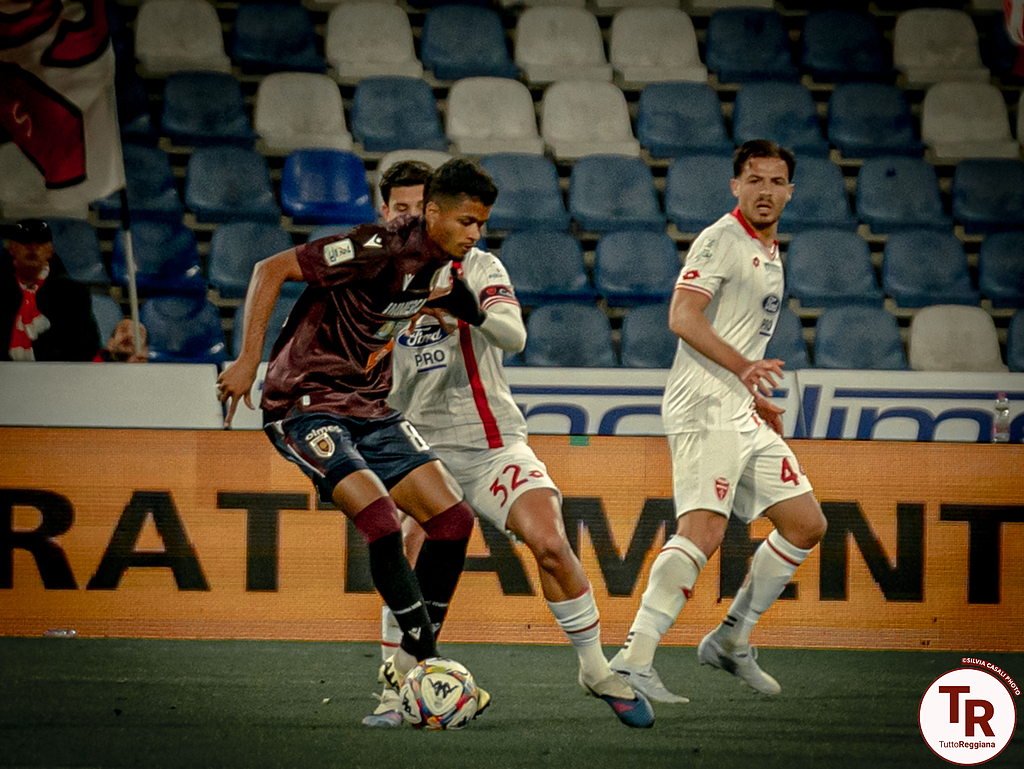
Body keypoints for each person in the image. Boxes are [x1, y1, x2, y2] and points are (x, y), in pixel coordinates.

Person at [360, 162, 654, 729]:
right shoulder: (372, 278)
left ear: (436, 210)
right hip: (417, 446)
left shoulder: (478, 265)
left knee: (550, 543)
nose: (412, 217)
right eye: (401, 209)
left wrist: (463, 309)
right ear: (386, 212)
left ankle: (595, 669)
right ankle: (396, 689)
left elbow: (514, 335)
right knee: (410, 552)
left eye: (420, 207)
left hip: (491, 444)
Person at [216, 159, 500, 716]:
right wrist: (248, 360)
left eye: (482, 224)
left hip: (369, 405)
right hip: (305, 401)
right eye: (467, 221)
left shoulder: (444, 265)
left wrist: (464, 313)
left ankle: (414, 662)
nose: (475, 233)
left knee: (453, 520)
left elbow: (455, 298)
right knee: (381, 519)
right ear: (432, 214)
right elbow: (269, 270)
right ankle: (427, 660)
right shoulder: (375, 246)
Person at [609, 140, 827, 702]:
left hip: (738, 407)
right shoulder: (721, 239)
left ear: (790, 192)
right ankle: (633, 659)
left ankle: (731, 638)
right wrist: (745, 369)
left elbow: (735, 330)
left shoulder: (770, 252)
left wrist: (752, 393)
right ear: (735, 186)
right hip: (704, 404)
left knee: (805, 523)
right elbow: (683, 316)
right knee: (702, 531)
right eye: (754, 180)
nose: (765, 191)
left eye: (776, 182)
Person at [2, 219, 99, 361]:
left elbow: (87, 346)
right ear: (12, 248)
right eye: (25, 241)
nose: (33, 247)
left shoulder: (73, 294)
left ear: (50, 251)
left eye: (40, 242)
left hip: (58, 372)